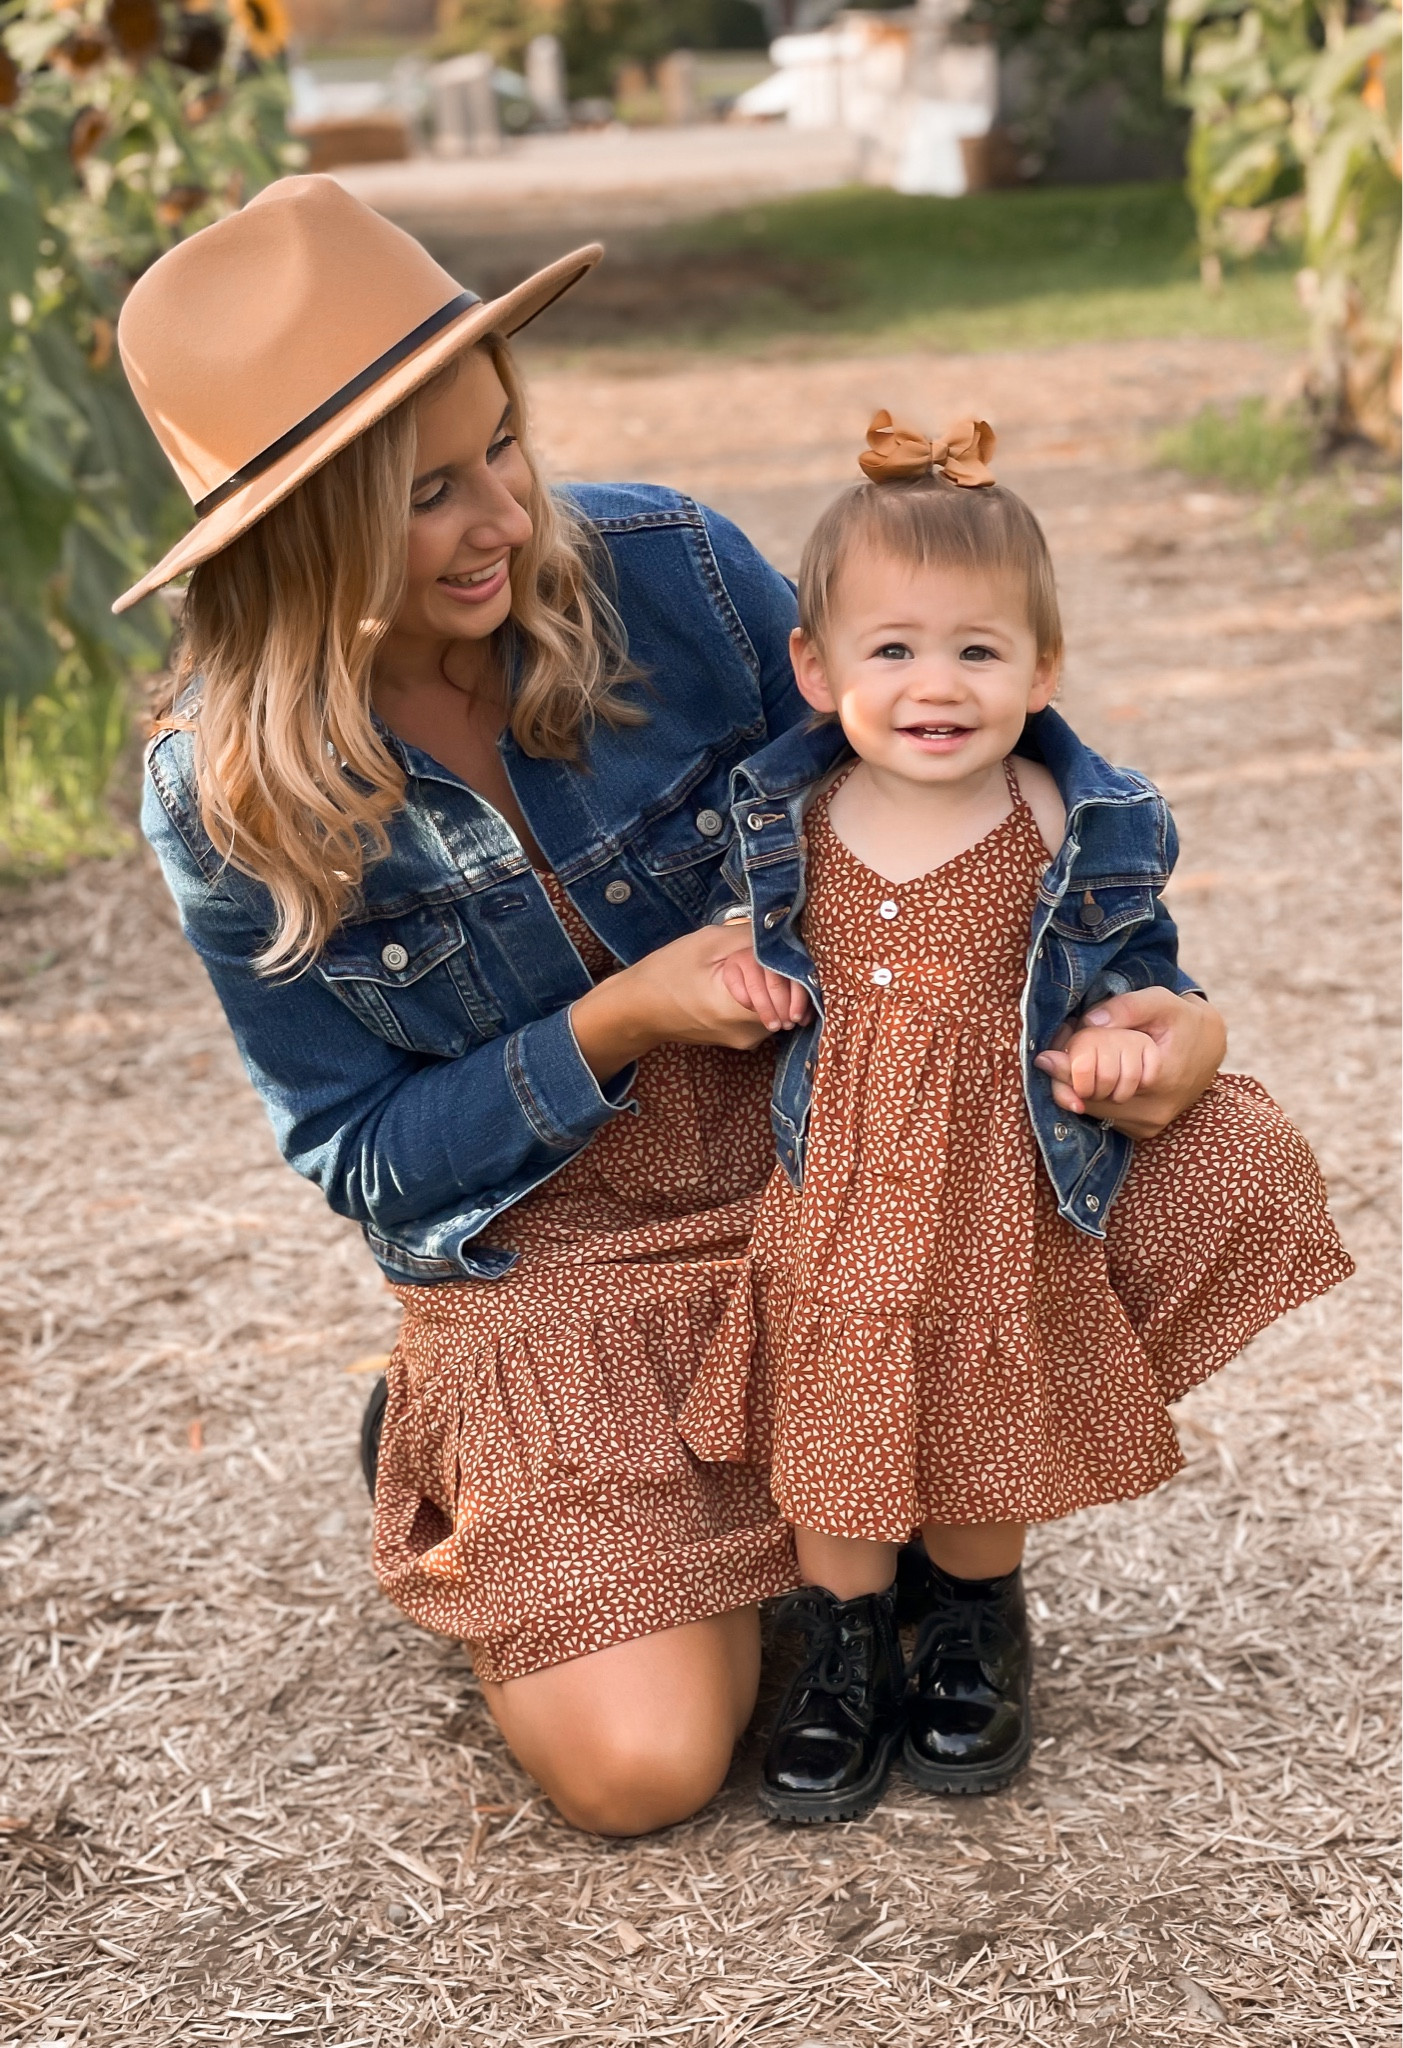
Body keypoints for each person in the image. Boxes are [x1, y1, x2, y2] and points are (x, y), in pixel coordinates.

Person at [124, 177, 1231, 1838]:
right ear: (300, 529)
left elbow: (983, 791)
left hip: (821, 1160)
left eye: (503, 444)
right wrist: (616, 1022)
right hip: (558, 1244)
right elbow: (358, 1152)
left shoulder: (668, 570)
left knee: (1177, 1150)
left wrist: (1155, 1007)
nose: (504, 516)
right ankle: (478, 1449)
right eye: (428, 493)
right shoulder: (226, 798)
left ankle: (932, 1560)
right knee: (641, 1772)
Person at [678, 412, 1353, 1824]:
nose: (939, 685)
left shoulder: (1067, 819)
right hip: (846, 1180)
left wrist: (1119, 1040)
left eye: (979, 650)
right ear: (815, 669)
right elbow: (744, 946)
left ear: (1042, 668)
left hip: (1002, 1182)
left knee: (993, 1409)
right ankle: (847, 1643)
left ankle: (980, 1620)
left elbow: (1141, 978)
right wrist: (743, 972)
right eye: (894, 649)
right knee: (841, 1405)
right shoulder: (787, 816)